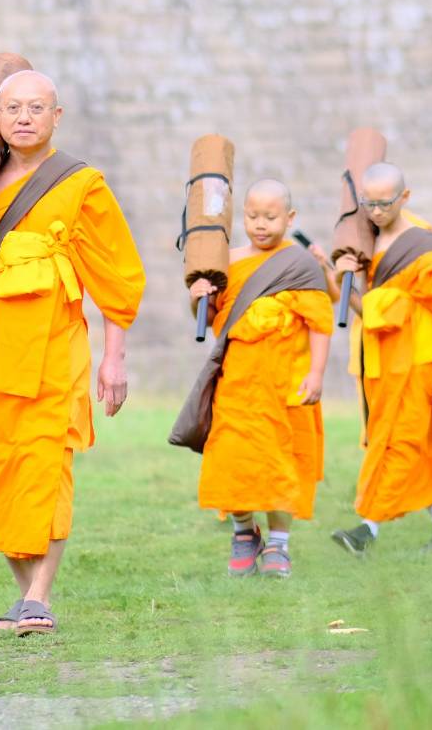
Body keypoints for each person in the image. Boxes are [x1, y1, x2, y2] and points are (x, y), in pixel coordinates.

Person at [0, 70, 145, 636]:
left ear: (56, 116)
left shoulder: (80, 184)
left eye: (36, 108)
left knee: (46, 466)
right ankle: (29, 600)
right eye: (12, 108)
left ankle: (39, 599)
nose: (23, 118)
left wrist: (114, 358)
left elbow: (116, 276)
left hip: (54, 350)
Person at [329, 163, 432, 554]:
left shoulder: (422, 243)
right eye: (370, 203)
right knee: (392, 441)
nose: (377, 211)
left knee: (401, 443)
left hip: (423, 358)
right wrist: (335, 274)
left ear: (405, 197)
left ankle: (367, 528)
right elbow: (367, 309)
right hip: (382, 360)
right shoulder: (365, 245)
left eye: (385, 203)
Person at [188, 180, 331, 578]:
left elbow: (320, 324)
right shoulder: (228, 262)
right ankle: (243, 532)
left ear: (290, 218)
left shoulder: (300, 264)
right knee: (232, 459)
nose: (260, 225)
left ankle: (279, 545)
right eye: (252, 216)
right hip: (237, 385)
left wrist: (317, 373)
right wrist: (199, 294)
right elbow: (213, 315)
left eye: (270, 217)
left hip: (287, 384)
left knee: (282, 462)